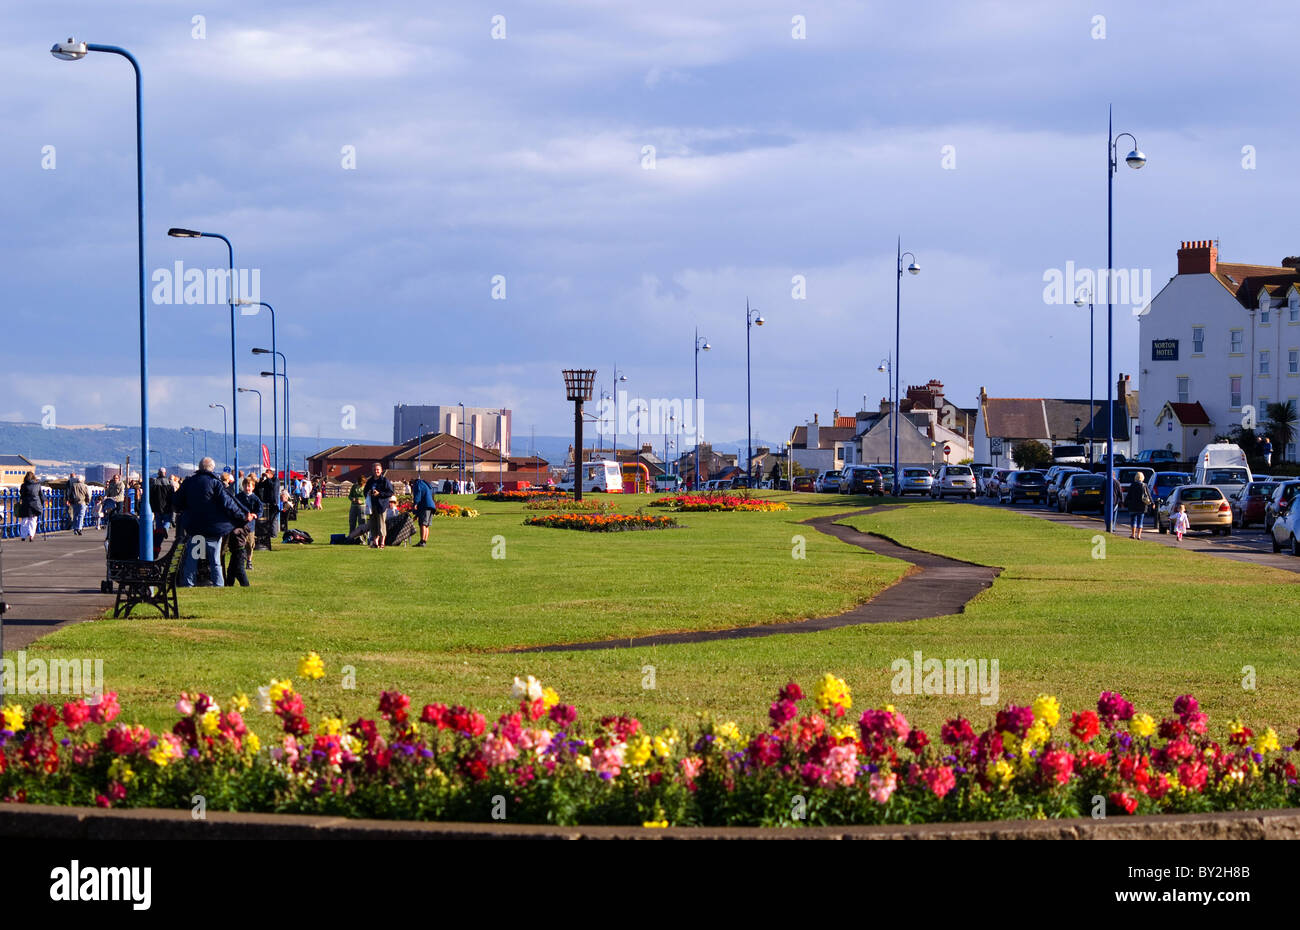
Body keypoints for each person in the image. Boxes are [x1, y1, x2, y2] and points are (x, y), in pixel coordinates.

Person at [175, 457, 256, 587]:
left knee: (193, 559)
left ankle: (189, 583)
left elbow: (177, 501)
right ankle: (218, 584)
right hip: (213, 528)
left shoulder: (189, 482)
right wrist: (243, 516)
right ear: (212, 468)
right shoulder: (215, 483)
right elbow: (228, 503)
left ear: (199, 467)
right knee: (215, 560)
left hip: (195, 527)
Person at [225, 475, 262, 585]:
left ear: (253, 487)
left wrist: (255, 515)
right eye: (245, 485)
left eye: (249, 486)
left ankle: (249, 560)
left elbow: (259, 510)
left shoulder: (255, 498)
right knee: (239, 545)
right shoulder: (239, 497)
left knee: (249, 544)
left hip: (250, 525)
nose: (247, 488)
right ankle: (241, 561)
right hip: (240, 526)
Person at [364, 462, 395, 549]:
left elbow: (390, 492)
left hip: (381, 505)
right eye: (374, 469)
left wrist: (379, 494)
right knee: (373, 524)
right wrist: (368, 493)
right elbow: (365, 492)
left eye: (377, 469)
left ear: (381, 470)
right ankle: (375, 542)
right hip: (372, 506)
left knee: (381, 524)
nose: (376, 471)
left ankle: (382, 543)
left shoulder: (384, 480)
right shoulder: (370, 481)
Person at [411, 473, 437, 547]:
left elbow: (418, 494)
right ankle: (424, 541)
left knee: (422, 524)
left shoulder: (418, 484)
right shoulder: (426, 484)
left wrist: (415, 503)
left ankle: (422, 542)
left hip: (425, 506)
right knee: (426, 525)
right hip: (431, 506)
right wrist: (416, 515)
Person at [1125, 472, 1152, 539]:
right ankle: (1139, 535)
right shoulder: (1144, 485)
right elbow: (1148, 495)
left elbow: (1129, 495)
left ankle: (1133, 534)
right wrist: (1152, 503)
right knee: (1140, 521)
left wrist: (1125, 503)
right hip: (1142, 506)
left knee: (1133, 520)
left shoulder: (1132, 485)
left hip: (1133, 506)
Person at [18, 471, 44, 542]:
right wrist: (42, 502)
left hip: (26, 504)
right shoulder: (38, 484)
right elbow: (41, 495)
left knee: (25, 520)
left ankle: (23, 536)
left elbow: (21, 494)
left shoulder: (24, 485)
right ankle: (31, 535)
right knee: (33, 520)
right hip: (35, 504)